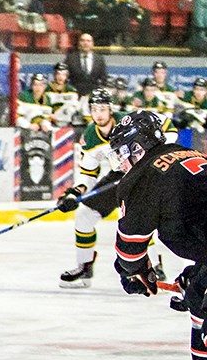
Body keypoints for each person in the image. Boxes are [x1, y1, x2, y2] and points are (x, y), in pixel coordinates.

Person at [106, 111, 207, 360]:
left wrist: (134, 272)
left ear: (138, 147)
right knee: (198, 297)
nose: (120, 161)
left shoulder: (142, 177)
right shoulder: (185, 153)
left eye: (122, 151)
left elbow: (131, 249)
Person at [58, 89, 176, 287]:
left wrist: (156, 155)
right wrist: (74, 193)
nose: (99, 114)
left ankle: (155, 267)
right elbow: (88, 174)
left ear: (111, 109)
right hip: (120, 174)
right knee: (84, 215)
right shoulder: (90, 136)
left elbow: (168, 126)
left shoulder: (129, 120)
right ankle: (84, 267)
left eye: (103, 108)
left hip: (144, 174)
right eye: (94, 109)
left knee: (137, 218)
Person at [64, 32, 108, 97]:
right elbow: (65, 78)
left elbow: (104, 79)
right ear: (79, 43)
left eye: (88, 41)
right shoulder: (70, 59)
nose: (85, 43)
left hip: (93, 96)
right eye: (82, 40)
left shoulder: (99, 59)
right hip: (75, 95)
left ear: (92, 44)